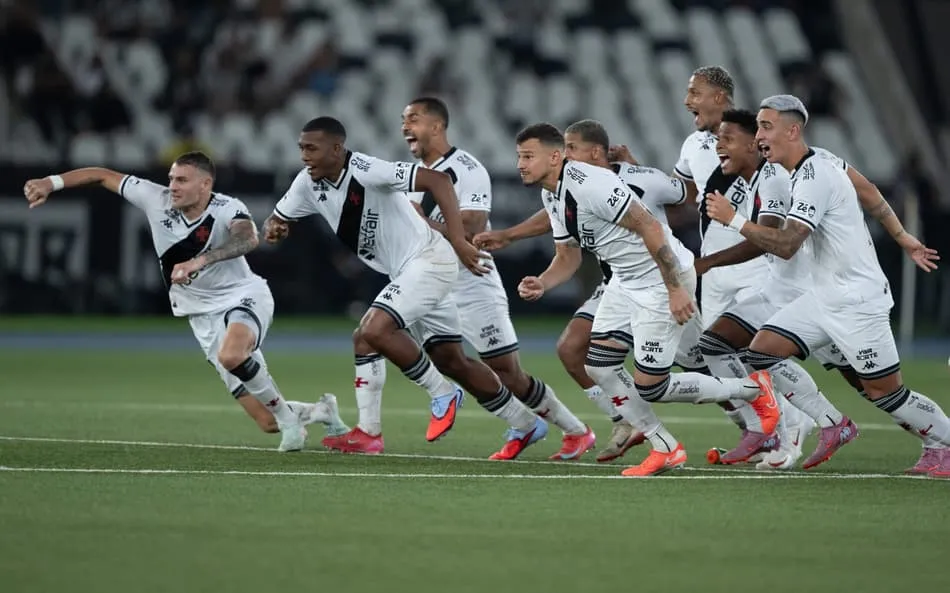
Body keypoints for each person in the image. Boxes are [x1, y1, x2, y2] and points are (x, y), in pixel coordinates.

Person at [263, 117, 549, 460]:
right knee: (448, 359)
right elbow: (278, 217)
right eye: (301, 149)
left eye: (312, 148)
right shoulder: (307, 184)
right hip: (406, 272)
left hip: (429, 260)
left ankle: (441, 394)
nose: (304, 156)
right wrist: (275, 227)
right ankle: (524, 422)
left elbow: (439, 180)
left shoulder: (366, 169)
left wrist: (458, 240)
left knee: (374, 329)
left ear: (336, 149)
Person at [22, 152, 348, 452]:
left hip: (243, 297)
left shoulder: (227, 207)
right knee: (265, 422)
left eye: (181, 180)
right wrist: (50, 183)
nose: (172, 186)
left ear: (205, 184)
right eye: (171, 178)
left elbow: (248, 237)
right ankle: (320, 411)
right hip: (201, 317)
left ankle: (290, 421)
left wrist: (201, 261)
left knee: (233, 354)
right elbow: (101, 174)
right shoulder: (156, 199)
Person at [512, 122, 778, 477]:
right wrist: (543, 283)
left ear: (556, 156)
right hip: (627, 280)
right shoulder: (552, 193)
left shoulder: (591, 184)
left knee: (652, 386)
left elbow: (650, 226)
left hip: (659, 278)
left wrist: (674, 288)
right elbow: (567, 256)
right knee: (599, 366)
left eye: (528, 156)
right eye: (519, 157)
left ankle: (751, 389)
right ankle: (665, 447)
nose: (521, 164)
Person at [705, 95, 950, 475]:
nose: (759, 137)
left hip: (857, 301)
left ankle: (943, 442)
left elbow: (786, 245)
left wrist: (734, 220)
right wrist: (902, 237)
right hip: (822, 296)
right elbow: (868, 190)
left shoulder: (815, 175)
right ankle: (834, 424)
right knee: (762, 351)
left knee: (885, 394)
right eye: (758, 129)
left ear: (793, 130)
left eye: (766, 127)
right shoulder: (819, 161)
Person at [476, 119, 705, 463]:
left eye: (571, 148)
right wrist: (535, 270)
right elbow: (563, 238)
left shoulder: (610, 180)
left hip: (658, 274)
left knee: (692, 364)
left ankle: (751, 403)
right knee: (580, 352)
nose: (567, 155)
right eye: (563, 148)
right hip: (620, 280)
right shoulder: (559, 189)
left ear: (594, 152)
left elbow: (674, 204)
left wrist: (675, 284)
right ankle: (632, 423)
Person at [401, 97, 595, 460]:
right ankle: (522, 423)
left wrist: (415, 219)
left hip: (471, 281)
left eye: (413, 119)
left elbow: (472, 229)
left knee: (507, 372)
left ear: (437, 126)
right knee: (442, 357)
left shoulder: (465, 168)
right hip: (431, 283)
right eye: (403, 120)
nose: (405, 127)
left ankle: (576, 431)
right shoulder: (413, 176)